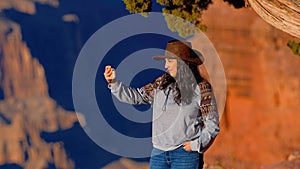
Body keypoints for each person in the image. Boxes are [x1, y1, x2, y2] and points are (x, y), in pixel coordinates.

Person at [104, 40, 219, 169]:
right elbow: (138, 96)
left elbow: (212, 125)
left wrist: (195, 145)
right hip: (159, 154)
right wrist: (114, 83)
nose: (165, 66)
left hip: (185, 155)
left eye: (170, 61)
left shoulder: (202, 88)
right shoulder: (161, 84)